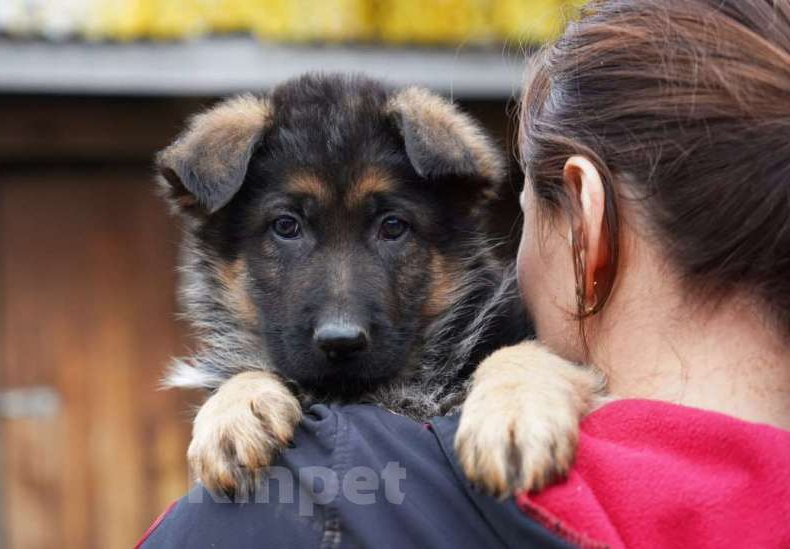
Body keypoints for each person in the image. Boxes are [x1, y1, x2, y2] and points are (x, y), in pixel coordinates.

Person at [138, 0, 790, 547]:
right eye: (287, 227)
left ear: (588, 224)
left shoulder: (290, 508)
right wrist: (244, 386)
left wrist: (519, 369)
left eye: (392, 228)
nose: (339, 310)